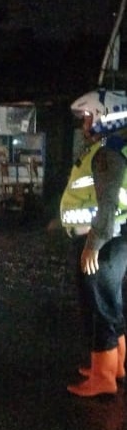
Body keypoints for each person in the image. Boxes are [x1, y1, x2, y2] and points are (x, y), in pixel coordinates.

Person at [60, 89, 127, 397]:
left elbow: (108, 203)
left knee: (98, 307)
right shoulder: (112, 147)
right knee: (111, 304)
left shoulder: (107, 152)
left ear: (106, 116)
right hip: (114, 240)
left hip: (102, 240)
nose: (84, 123)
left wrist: (93, 244)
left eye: (88, 116)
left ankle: (103, 378)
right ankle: (116, 366)